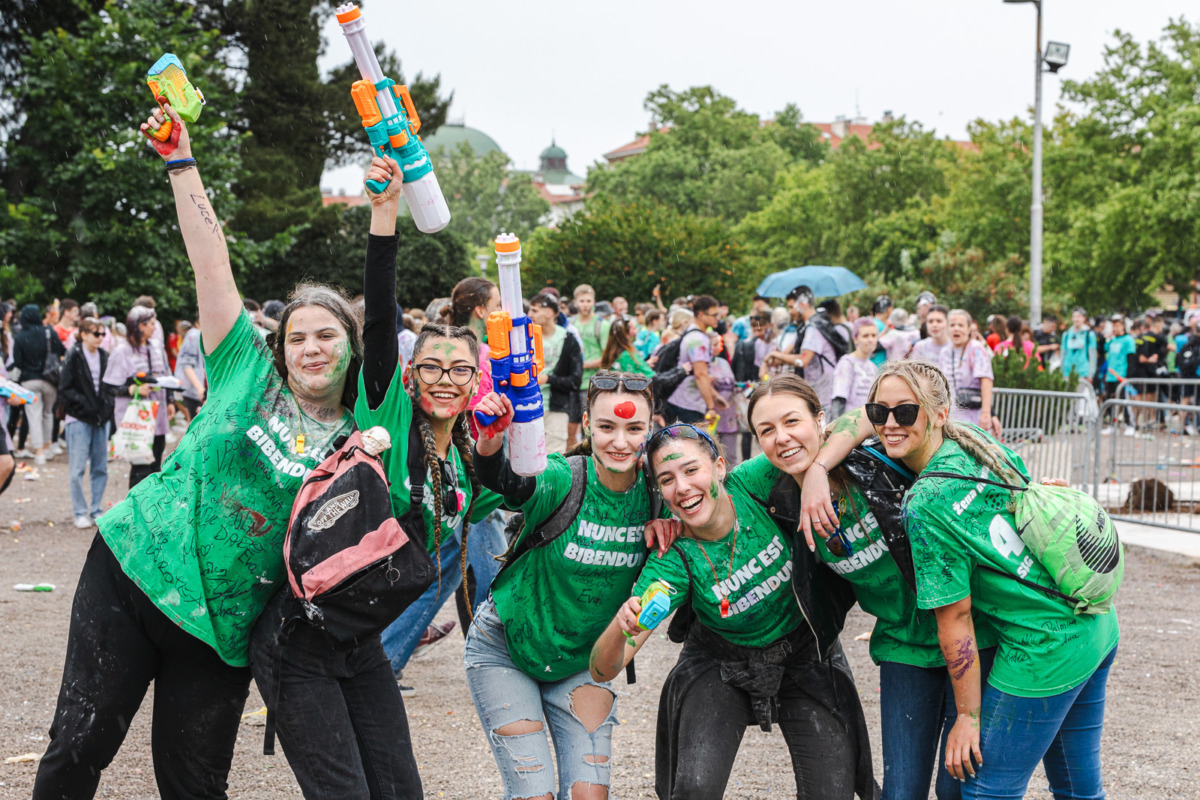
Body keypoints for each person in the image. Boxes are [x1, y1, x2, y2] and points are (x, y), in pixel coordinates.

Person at [33, 98, 361, 800]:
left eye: (326, 336)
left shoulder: (358, 436)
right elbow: (210, 263)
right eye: (297, 336)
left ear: (352, 348)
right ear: (280, 345)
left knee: (193, 784)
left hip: (224, 624)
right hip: (133, 566)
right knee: (79, 743)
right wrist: (182, 162)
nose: (310, 348)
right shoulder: (244, 366)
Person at [250, 155, 485, 798]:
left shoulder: (466, 466)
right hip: (299, 639)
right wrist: (386, 214)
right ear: (410, 374)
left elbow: (533, 488)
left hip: (362, 643)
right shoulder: (388, 410)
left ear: (475, 382)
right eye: (430, 366)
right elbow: (379, 318)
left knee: (401, 790)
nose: (443, 379)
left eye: (458, 370)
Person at [809, 360, 1120, 799]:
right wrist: (819, 468)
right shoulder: (976, 441)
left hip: (1045, 646)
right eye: (880, 412)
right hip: (1095, 624)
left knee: (985, 791)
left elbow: (955, 618)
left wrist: (968, 718)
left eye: (906, 412)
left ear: (939, 413)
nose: (890, 424)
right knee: (1077, 787)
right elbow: (861, 418)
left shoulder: (925, 502)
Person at [589, 421, 875, 800]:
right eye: (667, 479)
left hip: (806, 652)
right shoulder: (673, 560)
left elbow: (851, 424)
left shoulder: (752, 483)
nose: (683, 487)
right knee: (694, 790)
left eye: (691, 469)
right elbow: (603, 669)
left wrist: (819, 470)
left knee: (832, 794)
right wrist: (620, 626)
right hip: (720, 661)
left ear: (720, 466)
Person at [756, 375, 998, 800]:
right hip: (904, 644)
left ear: (820, 421)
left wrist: (818, 469)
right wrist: (665, 523)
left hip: (972, 636)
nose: (782, 437)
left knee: (958, 786)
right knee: (900, 792)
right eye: (766, 430)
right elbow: (707, 488)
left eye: (792, 421)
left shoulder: (879, 459)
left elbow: (873, 418)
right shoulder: (766, 477)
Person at [467, 372, 671, 800]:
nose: (620, 441)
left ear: (652, 429)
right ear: (587, 424)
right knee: (534, 794)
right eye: (607, 427)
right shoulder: (564, 478)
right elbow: (510, 482)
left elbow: (716, 500)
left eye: (634, 428)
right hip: (505, 647)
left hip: (582, 661)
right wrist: (489, 443)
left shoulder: (660, 496)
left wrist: (675, 525)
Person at [104, 304, 171, 488]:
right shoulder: (122, 351)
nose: (155, 327)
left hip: (158, 417)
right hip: (137, 420)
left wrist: (171, 400)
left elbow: (166, 375)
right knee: (141, 469)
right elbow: (109, 387)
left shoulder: (157, 347)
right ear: (140, 326)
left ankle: (153, 506)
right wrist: (132, 389)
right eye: (152, 323)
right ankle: (136, 505)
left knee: (156, 467)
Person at [58, 316, 114, 530]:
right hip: (79, 418)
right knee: (77, 468)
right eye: (96, 333)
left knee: (100, 467)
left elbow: (110, 385)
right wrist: (85, 404)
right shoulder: (73, 355)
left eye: (102, 334)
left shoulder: (105, 356)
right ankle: (80, 512)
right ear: (83, 334)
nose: (100, 338)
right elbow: (65, 388)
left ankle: (96, 509)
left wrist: (106, 409)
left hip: (100, 418)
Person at [12, 303, 65, 466]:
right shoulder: (48, 332)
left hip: (29, 380)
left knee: (33, 416)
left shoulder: (20, 336)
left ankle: (39, 452)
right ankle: (47, 446)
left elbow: (18, 362)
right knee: (48, 414)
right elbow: (62, 351)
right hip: (50, 379)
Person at [530, 291, 583, 455]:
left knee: (554, 457)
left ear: (548, 313)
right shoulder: (524, 338)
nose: (529, 314)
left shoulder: (568, 339)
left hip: (556, 407)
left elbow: (575, 380)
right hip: (527, 406)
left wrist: (548, 379)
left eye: (534, 310)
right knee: (527, 457)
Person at [664, 295, 723, 425]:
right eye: (714, 315)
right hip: (687, 403)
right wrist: (711, 407)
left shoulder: (691, 332)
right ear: (701, 314)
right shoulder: (698, 339)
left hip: (679, 400)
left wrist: (715, 396)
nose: (718, 318)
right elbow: (700, 374)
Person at [946, 309, 999, 436]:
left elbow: (986, 381)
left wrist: (987, 413)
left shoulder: (976, 348)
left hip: (974, 415)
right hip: (952, 415)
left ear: (969, 328)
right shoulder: (945, 351)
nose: (956, 328)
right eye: (952, 325)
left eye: (961, 325)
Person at [832, 318, 880, 419]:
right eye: (865, 336)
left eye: (873, 335)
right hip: (849, 421)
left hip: (866, 422)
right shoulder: (847, 363)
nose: (870, 340)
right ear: (855, 339)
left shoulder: (873, 367)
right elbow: (839, 399)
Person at [174, 316, 207, 421]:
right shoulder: (195, 335)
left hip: (194, 392)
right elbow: (186, 364)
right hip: (190, 391)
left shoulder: (199, 335)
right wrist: (200, 389)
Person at [1060, 307, 1098, 383]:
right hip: (1067, 372)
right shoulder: (1066, 334)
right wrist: (1061, 371)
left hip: (1083, 373)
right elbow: (1063, 354)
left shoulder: (1089, 334)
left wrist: (1091, 374)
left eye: (1078, 316)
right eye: (1074, 316)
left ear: (1084, 318)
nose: (1076, 319)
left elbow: (1092, 355)